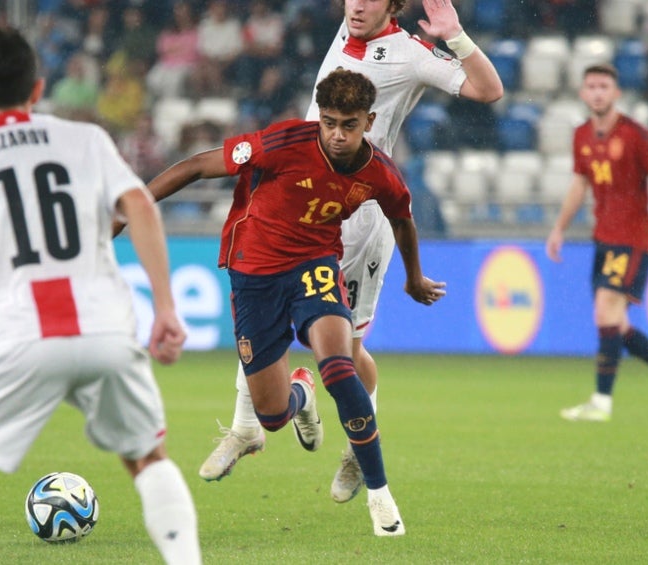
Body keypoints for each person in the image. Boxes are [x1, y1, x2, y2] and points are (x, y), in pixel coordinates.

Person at [0, 26, 201, 564]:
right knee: (149, 459)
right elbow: (142, 207)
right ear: (38, 88)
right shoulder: (86, 140)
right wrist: (166, 307)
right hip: (105, 327)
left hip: (18, 333)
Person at [199, 0, 503, 507]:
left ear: (395, 5)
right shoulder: (347, 25)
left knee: (351, 349)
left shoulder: (411, 53)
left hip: (358, 216)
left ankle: (358, 448)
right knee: (259, 305)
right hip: (298, 200)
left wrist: (456, 36)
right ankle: (245, 428)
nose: (357, 4)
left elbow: (489, 90)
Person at [144, 68, 447, 536]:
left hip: (315, 266)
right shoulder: (284, 142)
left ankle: (380, 494)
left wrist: (412, 277)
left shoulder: (380, 174)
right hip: (254, 274)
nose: (336, 135)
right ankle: (300, 394)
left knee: (341, 366)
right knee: (272, 414)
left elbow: (402, 221)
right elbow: (197, 166)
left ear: (369, 121)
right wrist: (135, 207)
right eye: (328, 122)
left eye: (348, 124)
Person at [546, 63, 648, 423]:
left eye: (604, 86)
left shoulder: (636, 134)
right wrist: (558, 228)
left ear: (616, 93)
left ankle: (601, 402)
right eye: (592, 86)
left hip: (632, 240)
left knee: (606, 311)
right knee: (614, 324)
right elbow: (579, 185)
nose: (598, 92)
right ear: (583, 93)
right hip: (603, 238)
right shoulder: (582, 135)